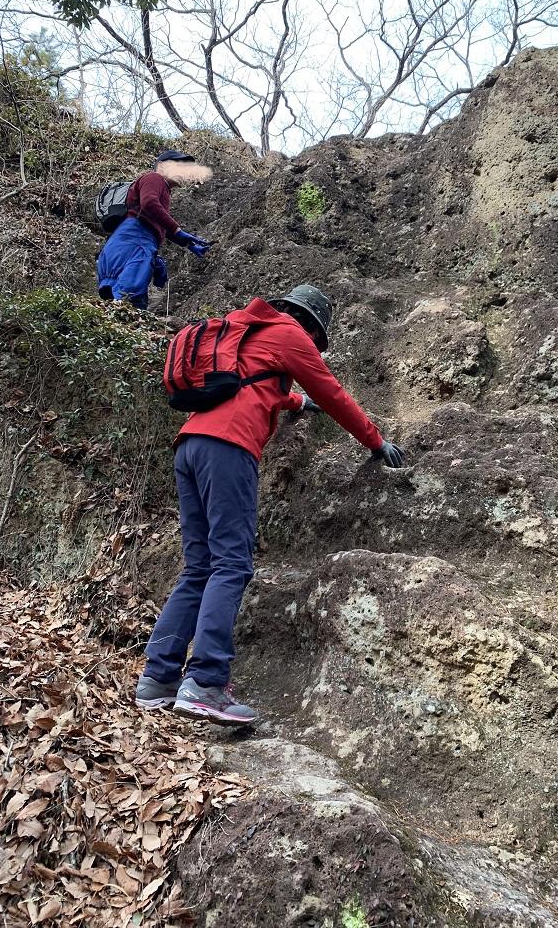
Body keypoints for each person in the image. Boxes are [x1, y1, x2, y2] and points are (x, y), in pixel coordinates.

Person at [135, 284, 405, 725]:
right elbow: (333, 392)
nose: (314, 348)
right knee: (231, 564)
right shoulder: (291, 334)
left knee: (198, 567)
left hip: (190, 445)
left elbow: (256, 386)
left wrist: (298, 400)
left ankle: (157, 679)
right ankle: (205, 683)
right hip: (229, 447)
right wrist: (375, 441)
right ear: (313, 328)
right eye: (317, 342)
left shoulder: (248, 329)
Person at [96, 150, 214, 309]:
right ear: (162, 166)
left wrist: (187, 243)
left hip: (124, 244)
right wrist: (178, 230)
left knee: (121, 299)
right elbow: (149, 204)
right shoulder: (154, 178)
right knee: (129, 299)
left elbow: (156, 221)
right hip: (135, 242)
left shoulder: (161, 188)